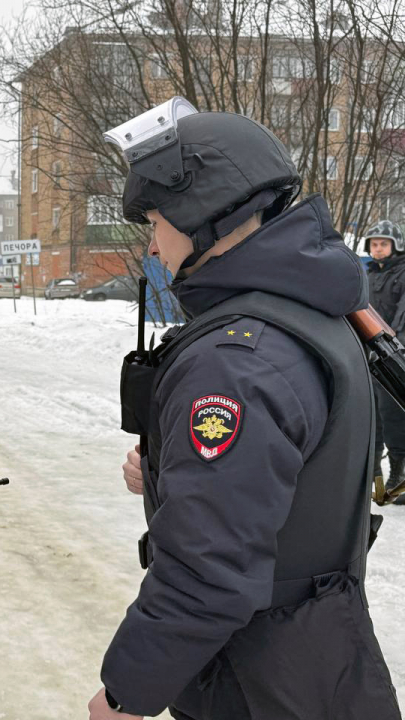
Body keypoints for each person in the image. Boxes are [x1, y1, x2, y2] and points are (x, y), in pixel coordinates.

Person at [90, 99, 400, 719]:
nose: (152, 245)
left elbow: (209, 569)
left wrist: (127, 694)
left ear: (199, 212)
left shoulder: (239, 360)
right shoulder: (313, 311)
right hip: (321, 660)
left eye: (155, 222)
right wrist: (162, 469)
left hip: (259, 680)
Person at [364, 220, 405, 504]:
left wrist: (393, 349)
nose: (378, 249)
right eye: (374, 244)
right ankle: (374, 475)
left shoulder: (402, 274)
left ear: (395, 246)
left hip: (393, 356)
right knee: (371, 417)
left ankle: (398, 475)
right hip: (367, 357)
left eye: (383, 244)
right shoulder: (366, 276)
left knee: (393, 418)